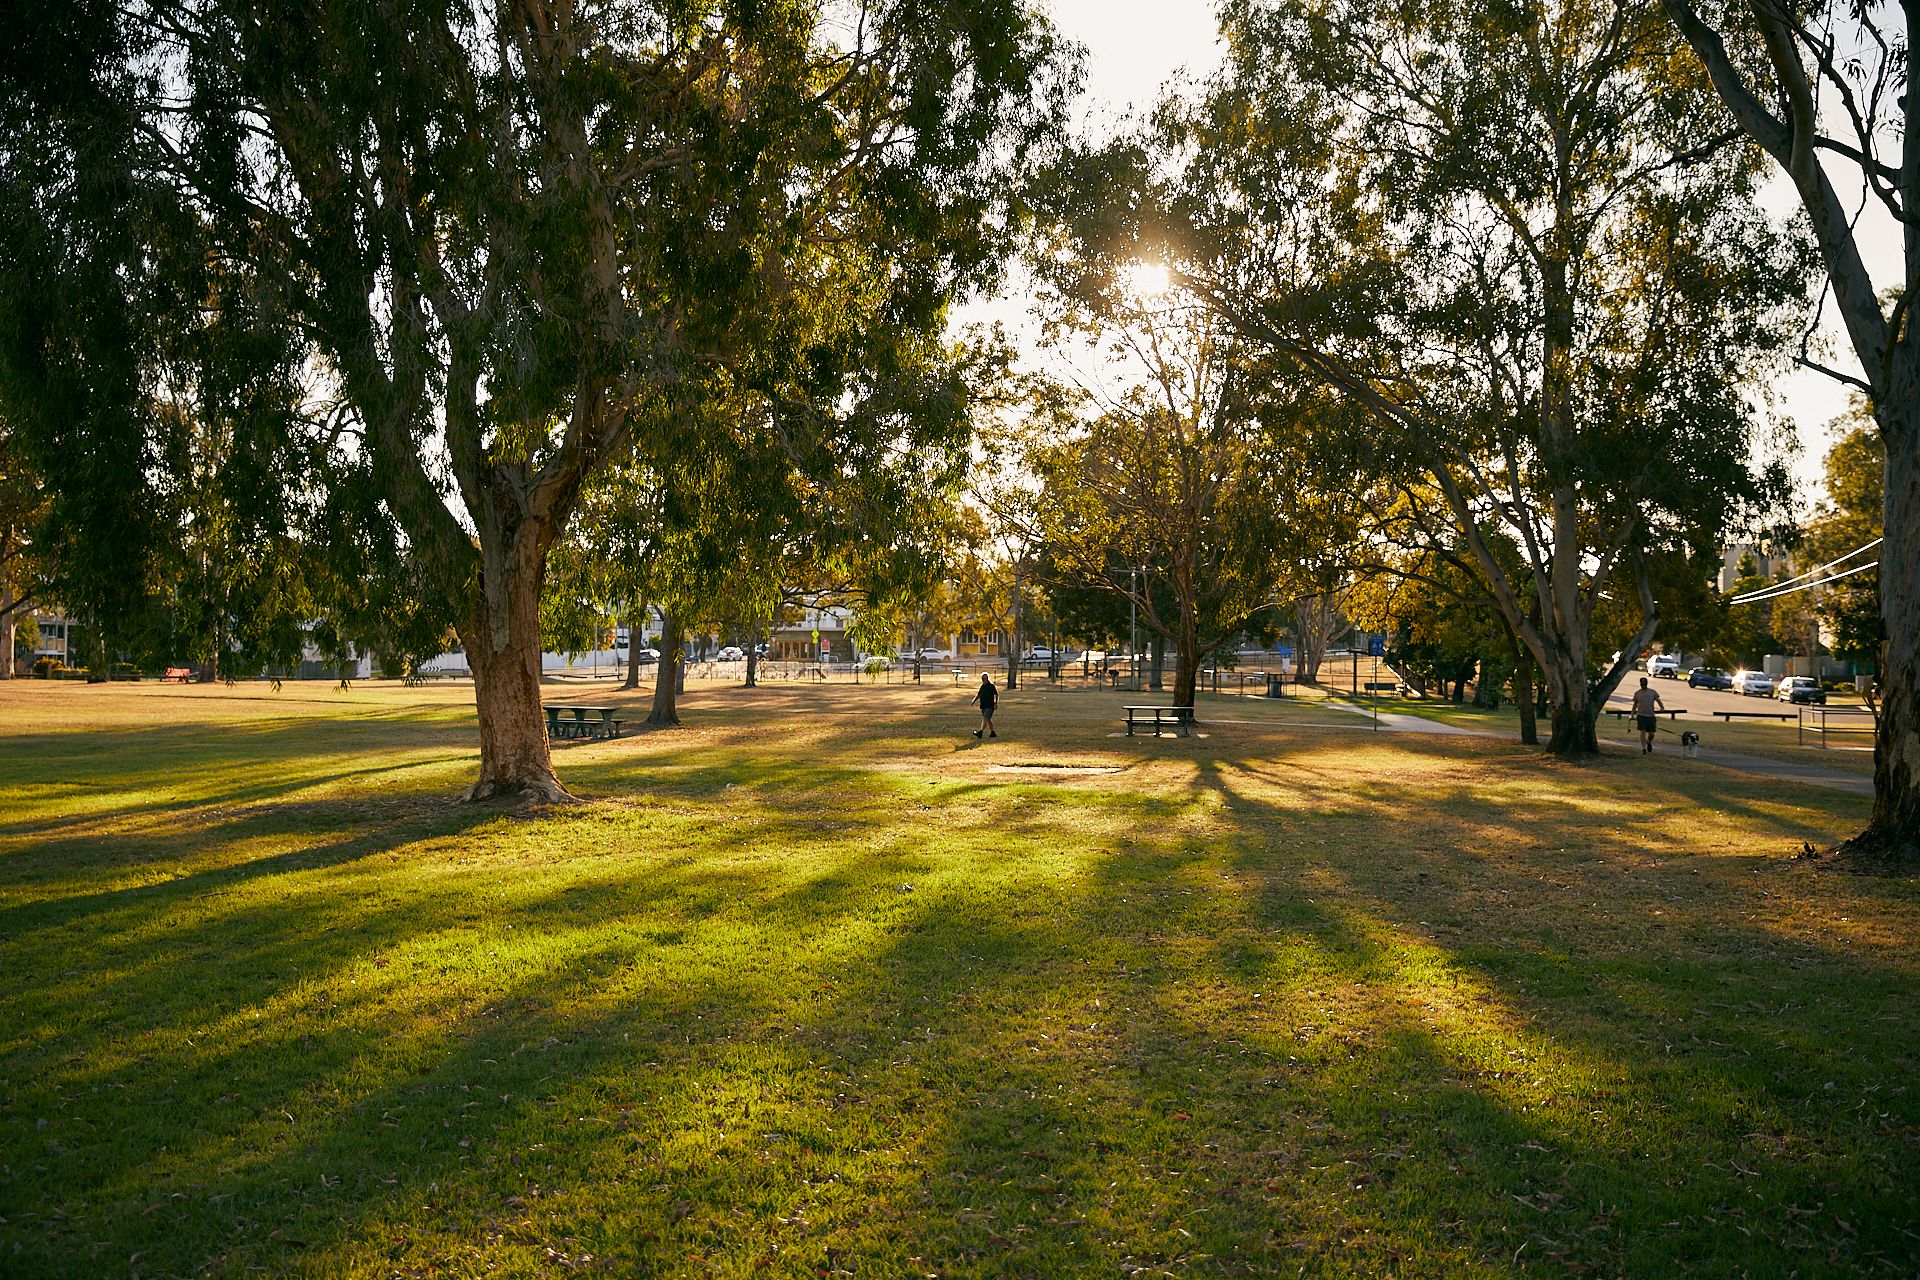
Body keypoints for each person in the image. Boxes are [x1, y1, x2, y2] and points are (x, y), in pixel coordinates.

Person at [1630, 676, 1665, 754]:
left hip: (1650, 715)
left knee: (1651, 734)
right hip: (1641, 715)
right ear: (1640, 684)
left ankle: (1649, 742)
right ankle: (1643, 748)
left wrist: (1661, 707)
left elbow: (1658, 700)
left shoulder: (1652, 692)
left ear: (1647, 684)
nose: (1643, 686)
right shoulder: (1637, 693)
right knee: (1642, 732)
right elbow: (1635, 705)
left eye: (1645, 684)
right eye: (1642, 684)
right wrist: (1632, 715)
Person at [971, 673, 998, 738]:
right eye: (982, 678)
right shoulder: (982, 686)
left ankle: (980, 732)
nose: (983, 680)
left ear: (987, 678)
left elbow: (996, 694)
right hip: (983, 705)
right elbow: (979, 695)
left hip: (990, 705)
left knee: (985, 718)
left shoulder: (991, 686)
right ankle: (993, 733)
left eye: (984, 678)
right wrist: (974, 700)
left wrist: (995, 703)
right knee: (988, 719)